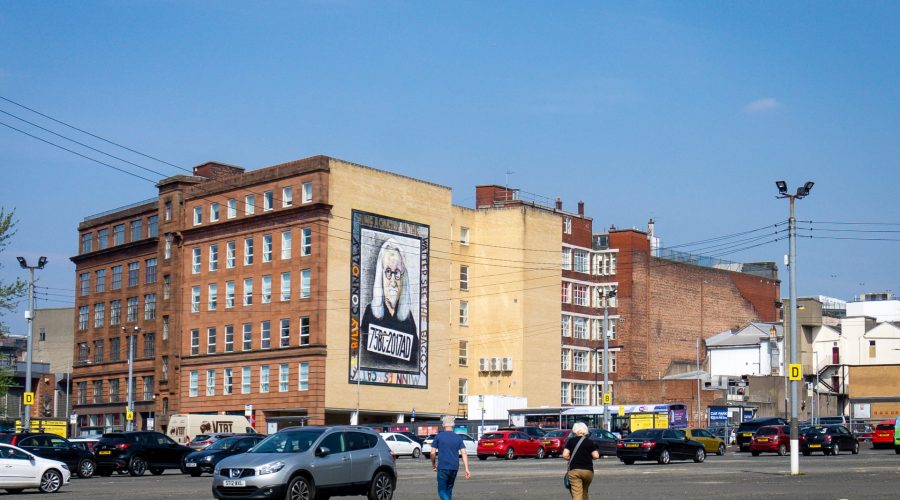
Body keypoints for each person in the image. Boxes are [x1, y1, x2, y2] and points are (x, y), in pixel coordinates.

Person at [360, 238, 419, 371]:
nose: (393, 282)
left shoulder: (408, 319)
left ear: (403, 277)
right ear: (380, 275)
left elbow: (415, 362)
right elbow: (363, 358)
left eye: (397, 273)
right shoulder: (370, 314)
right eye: (388, 272)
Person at [430, 415, 470, 500]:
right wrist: (466, 469)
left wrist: (433, 465)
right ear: (453, 424)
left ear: (443, 425)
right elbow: (464, 453)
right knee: (449, 490)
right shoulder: (458, 437)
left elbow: (432, 453)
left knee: (441, 490)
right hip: (454, 467)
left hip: (443, 467)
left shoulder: (438, 436)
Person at [562, 422, 600, 500]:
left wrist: (571, 458)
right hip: (588, 471)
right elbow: (596, 456)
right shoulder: (590, 442)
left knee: (577, 493)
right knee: (584, 491)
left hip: (574, 470)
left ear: (574, 431)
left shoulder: (571, 441)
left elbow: (565, 455)